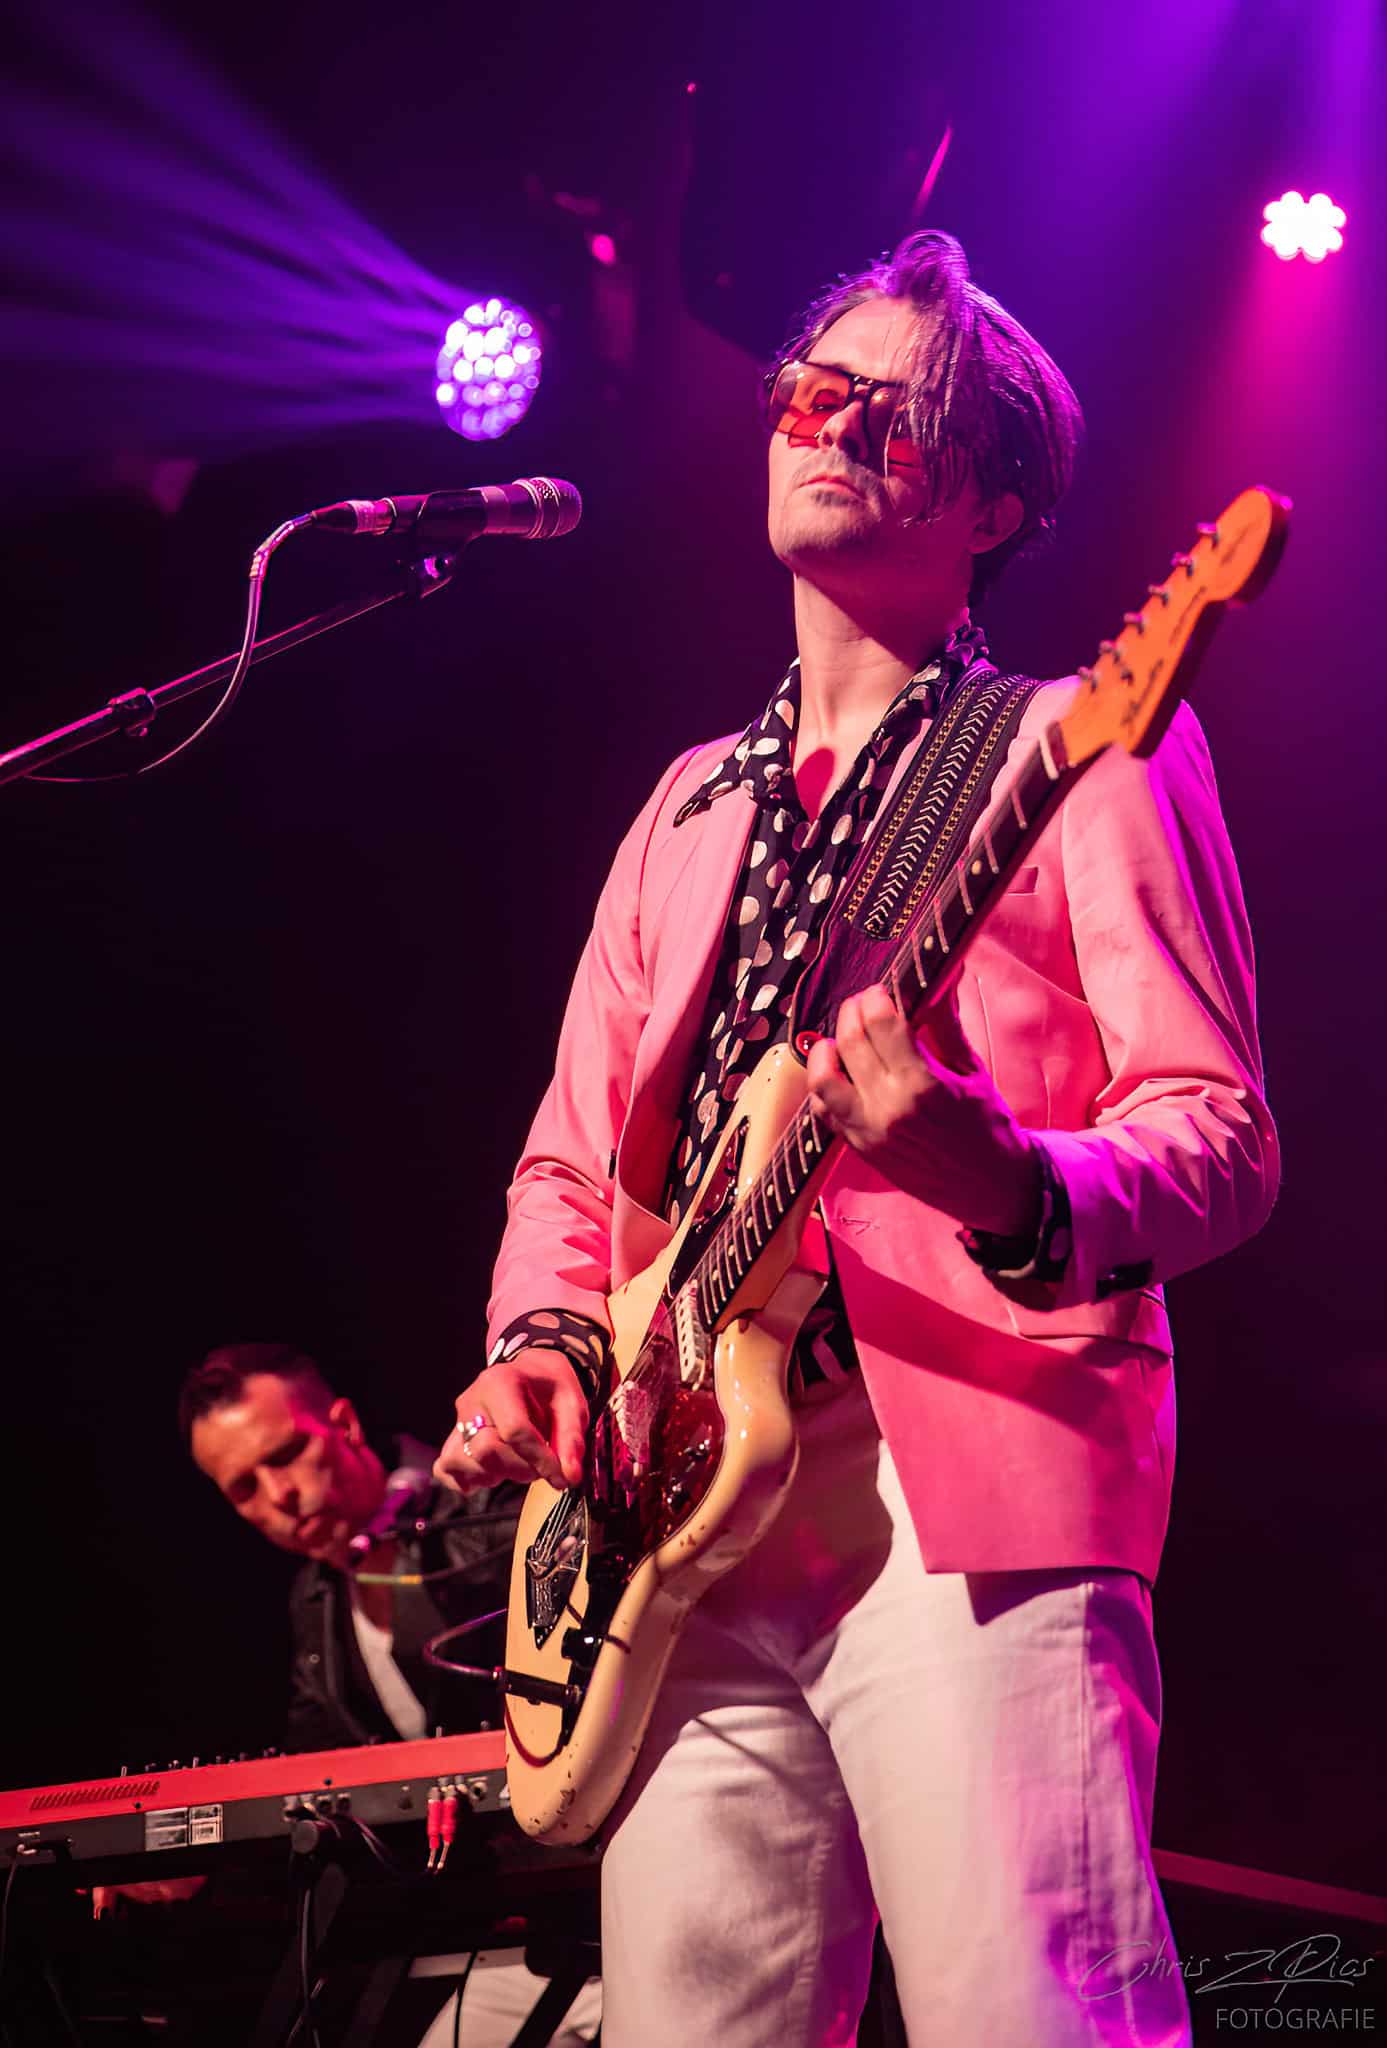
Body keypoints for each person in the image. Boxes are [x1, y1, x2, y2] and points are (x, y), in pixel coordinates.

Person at [433, 229, 1279, 2048]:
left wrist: (1004, 1176)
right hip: (674, 1510)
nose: (829, 426)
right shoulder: (685, 807)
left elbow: (1216, 1135)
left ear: (991, 503)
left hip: (963, 1474)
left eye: (893, 415)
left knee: (1027, 2013)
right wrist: (541, 1343)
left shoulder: (1078, 746)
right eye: (809, 393)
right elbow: (571, 1159)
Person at [180, 1342, 602, 2048]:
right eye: (244, 1489)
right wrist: (193, 1863)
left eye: (285, 1455)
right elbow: (312, 1777)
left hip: (606, 1878)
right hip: (515, 1929)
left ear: (344, 1426)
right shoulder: (316, 1599)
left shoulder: (486, 1502)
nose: (279, 1497)